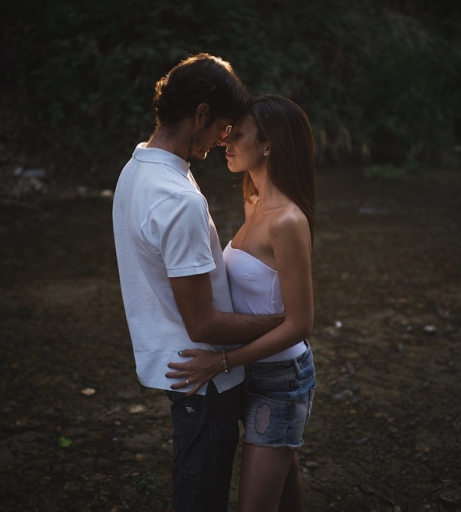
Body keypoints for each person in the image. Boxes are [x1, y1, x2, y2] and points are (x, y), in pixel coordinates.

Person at [112, 55, 284, 512]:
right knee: (201, 496)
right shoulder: (176, 199)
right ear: (202, 113)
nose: (224, 140)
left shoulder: (136, 170)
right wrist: (283, 321)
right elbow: (204, 323)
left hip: (177, 368)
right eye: (223, 127)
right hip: (204, 377)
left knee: (202, 481)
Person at [166, 95, 318, 512]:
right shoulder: (252, 200)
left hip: (281, 380)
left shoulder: (288, 221)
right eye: (227, 133)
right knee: (284, 482)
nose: (225, 141)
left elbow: (301, 323)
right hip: (249, 371)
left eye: (238, 134)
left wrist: (223, 361)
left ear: (269, 145)